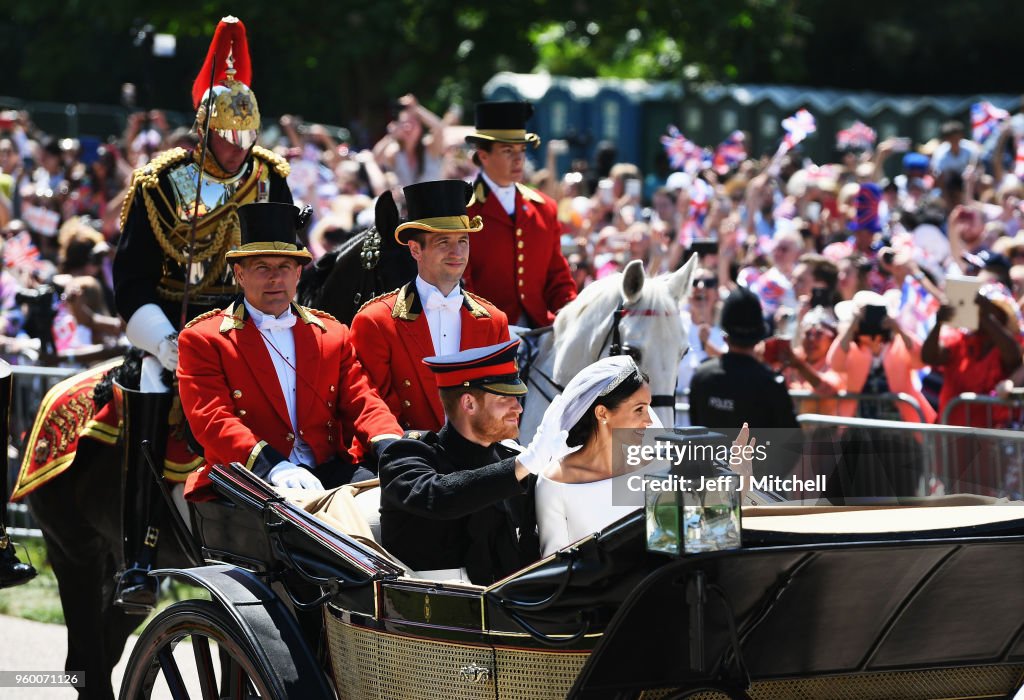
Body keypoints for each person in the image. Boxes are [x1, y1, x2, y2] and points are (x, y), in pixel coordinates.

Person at [114, 16, 292, 394]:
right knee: (153, 394)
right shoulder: (159, 183)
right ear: (204, 130)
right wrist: (163, 342)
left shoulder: (270, 176)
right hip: (175, 326)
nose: (238, 148)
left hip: (254, 323)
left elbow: (290, 260)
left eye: (247, 136)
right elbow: (132, 279)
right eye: (227, 136)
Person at [178, 201, 403, 499]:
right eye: (262, 268)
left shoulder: (331, 333)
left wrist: (391, 442)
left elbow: (362, 400)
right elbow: (212, 419)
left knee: (400, 504)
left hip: (328, 469)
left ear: (298, 274)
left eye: (284, 267)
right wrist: (274, 467)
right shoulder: (203, 339)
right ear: (240, 274)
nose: (275, 278)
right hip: (251, 475)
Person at [378, 339, 566, 584]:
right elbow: (440, 496)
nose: (518, 409)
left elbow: (529, 549)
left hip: (507, 608)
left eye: (518, 399)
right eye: (504, 399)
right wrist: (524, 464)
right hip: (431, 612)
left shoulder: (509, 460)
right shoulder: (406, 455)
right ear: (469, 403)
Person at [351, 179, 509, 432]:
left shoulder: (494, 320)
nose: (457, 252)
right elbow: (372, 404)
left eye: (463, 241)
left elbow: (502, 401)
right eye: (443, 242)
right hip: (407, 458)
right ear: (415, 250)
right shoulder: (376, 321)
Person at [463, 101, 577, 327]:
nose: (518, 160)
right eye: (507, 151)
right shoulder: (463, 210)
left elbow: (558, 277)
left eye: (522, 151)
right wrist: (488, 328)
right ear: (483, 156)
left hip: (540, 331)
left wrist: (572, 317)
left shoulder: (544, 208)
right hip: (486, 336)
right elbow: (462, 284)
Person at [534, 356, 653, 556]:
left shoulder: (657, 467)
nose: (649, 420)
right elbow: (554, 565)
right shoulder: (554, 482)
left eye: (648, 408)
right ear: (602, 413)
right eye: (639, 409)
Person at [689, 286, 799, 433]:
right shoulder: (770, 383)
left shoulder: (701, 376)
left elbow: (695, 426)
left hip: (707, 456)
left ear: (724, 335)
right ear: (759, 336)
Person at [829, 291, 936, 423]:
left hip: (899, 422)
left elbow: (921, 361)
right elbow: (835, 364)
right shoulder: (852, 346)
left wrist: (899, 330)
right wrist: (852, 327)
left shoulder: (899, 344)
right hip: (859, 421)